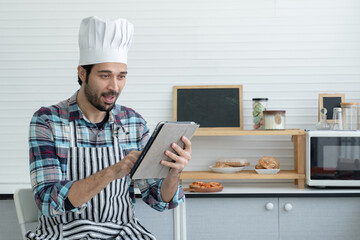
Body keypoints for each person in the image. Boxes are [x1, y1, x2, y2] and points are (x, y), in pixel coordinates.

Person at [28, 16, 191, 240]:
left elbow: (158, 199)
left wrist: (174, 174)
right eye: (105, 76)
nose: (114, 87)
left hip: (123, 233)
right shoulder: (48, 121)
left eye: (121, 77)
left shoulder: (134, 123)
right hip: (64, 234)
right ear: (82, 73)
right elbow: (47, 200)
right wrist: (113, 171)